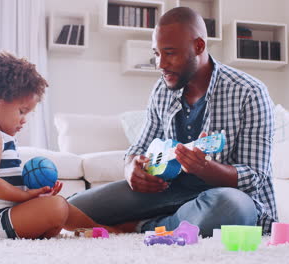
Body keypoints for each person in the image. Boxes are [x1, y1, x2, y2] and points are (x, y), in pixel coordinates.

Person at [69, 7, 277, 236]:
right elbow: (140, 146)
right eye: (156, 53)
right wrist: (131, 169)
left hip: (223, 194)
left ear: (198, 46)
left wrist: (206, 168)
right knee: (74, 208)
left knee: (230, 209)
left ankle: (143, 227)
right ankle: (175, 223)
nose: (160, 64)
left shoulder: (250, 92)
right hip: (168, 189)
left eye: (169, 53)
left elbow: (255, 177)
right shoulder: (162, 88)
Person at [0, 51, 127, 239]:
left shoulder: (0, 136)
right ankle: (103, 229)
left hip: (4, 216)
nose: (24, 120)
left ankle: (99, 228)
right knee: (56, 207)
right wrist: (26, 196)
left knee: (60, 205)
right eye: (22, 111)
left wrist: (34, 194)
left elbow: (2, 188)